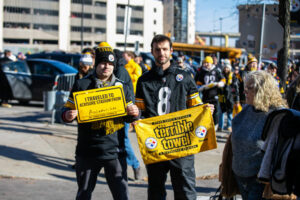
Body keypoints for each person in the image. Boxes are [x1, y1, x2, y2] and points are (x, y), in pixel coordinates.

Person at [135, 34, 214, 200]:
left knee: (185, 188)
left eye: (164, 49)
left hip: (181, 141)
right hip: (155, 142)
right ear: (152, 51)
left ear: (171, 51)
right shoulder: (143, 80)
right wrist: (135, 116)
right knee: (155, 189)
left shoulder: (184, 77)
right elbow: (140, 111)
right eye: (157, 50)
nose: (161, 53)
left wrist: (206, 110)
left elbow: (196, 105)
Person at [61, 44, 139, 200]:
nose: (106, 67)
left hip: (114, 150)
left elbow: (130, 116)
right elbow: (64, 112)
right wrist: (67, 115)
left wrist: (135, 113)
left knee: (121, 195)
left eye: (110, 64)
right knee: (83, 193)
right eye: (103, 63)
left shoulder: (121, 87)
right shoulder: (81, 84)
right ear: (96, 63)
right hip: (87, 150)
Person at [231, 70, 287, 200]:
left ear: (262, 90)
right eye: (245, 87)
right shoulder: (247, 109)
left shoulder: (278, 115)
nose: (244, 91)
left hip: (261, 179)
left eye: (249, 88)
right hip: (240, 174)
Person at [114, 48, 141, 180]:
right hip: (118, 110)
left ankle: (135, 165)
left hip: (124, 110)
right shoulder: (118, 69)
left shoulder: (121, 71)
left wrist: (134, 115)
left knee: (123, 139)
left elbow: (125, 92)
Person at [195, 55, 225, 128]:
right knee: (205, 111)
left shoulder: (216, 70)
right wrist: (201, 87)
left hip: (215, 94)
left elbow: (223, 79)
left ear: (211, 63)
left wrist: (220, 84)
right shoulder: (202, 71)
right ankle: (206, 126)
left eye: (207, 63)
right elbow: (198, 83)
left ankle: (215, 126)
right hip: (205, 95)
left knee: (216, 111)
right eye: (204, 63)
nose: (205, 64)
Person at [218, 60, 240, 132]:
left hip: (230, 97)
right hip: (222, 95)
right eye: (225, 68)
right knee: (221, 112)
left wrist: (236, 99)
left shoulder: (233, 76)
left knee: (230, 112)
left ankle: (229, 125)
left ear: (230, 68)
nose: (226, 69)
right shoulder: (220, 75)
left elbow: (236, 88)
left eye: (227, 68)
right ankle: (220, 126)